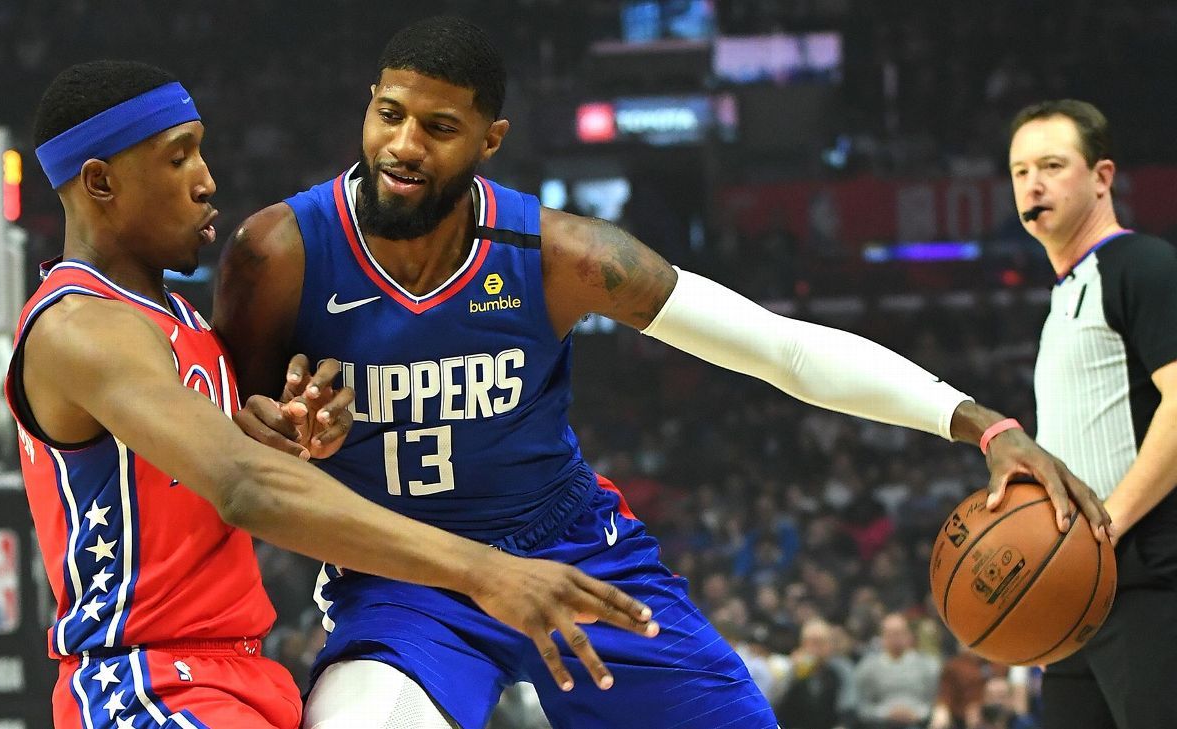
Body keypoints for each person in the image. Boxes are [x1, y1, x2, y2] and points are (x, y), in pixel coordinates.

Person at [219, 18, 1109, 729]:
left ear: (491, 139)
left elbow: (782, 348)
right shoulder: (278, 253)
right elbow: (232, 448)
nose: (404, 145)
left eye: (439, 127)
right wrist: (284, 433)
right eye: (389, 114)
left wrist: (984, 424)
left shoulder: (561, 254)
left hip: (565, 547)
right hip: (406, 571)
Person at [12, 59, 657, 729]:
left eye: (200, 152)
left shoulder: (179, 321)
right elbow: (245, 486)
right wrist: (487, 570)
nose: (207, 181)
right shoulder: (80, 325)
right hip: (142, 683)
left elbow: (215, 483)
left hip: (235, 674)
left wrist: (295, 432)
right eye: (179, 159)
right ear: (100, 182)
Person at [1009, 98, 1177, 729]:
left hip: (1150, 581)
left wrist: (1104, 530)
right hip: (1082, 596)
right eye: (1021, 171)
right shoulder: (1066, 294)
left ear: (1102, 176)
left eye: (1052, 165)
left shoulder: (1142, 264)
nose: (1033, 184)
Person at [852, 613, 940, 729]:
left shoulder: (927, 665)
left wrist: (918, 714)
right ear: (882, 637)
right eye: (890, 634)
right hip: (879, 723)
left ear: (909, 635)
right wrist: (884, 713)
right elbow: (861, 705)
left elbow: (935, 701)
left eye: (899, 633)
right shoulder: (868, 667)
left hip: (918, 722)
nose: (895, 638)